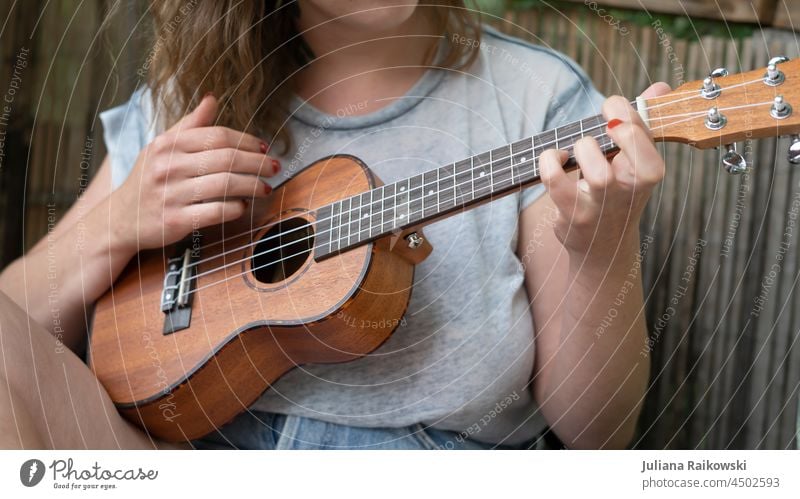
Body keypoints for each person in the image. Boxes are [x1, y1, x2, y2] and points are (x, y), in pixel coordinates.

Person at [0, 0, 669, 450]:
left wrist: (600, 254)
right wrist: (114, 224)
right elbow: (15, 321)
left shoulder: (539, 101)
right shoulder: (190, 98)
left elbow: (600, 435)